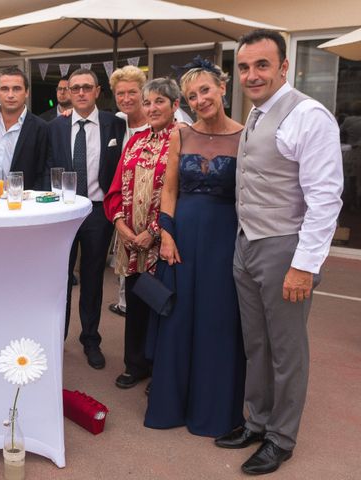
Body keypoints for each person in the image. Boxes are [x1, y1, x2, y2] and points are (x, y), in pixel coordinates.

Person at [215, 30, 344, 476]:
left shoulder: (309, 115)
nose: (252, 75)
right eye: (245, 67)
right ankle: (258, 421)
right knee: (256, 343)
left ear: (284, 67)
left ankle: (281, 438)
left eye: (262, 65)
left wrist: (304, 266)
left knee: (286, 349)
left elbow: (326, 198)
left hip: (285, 247)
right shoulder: (254, 114)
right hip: (247, 243)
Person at [145, 58, 246, 438]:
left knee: (217, 321)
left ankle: (213, 411)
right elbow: (169, 188)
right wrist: (166, 233)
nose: (200, 99)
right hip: (181, 238)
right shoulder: (180, 134)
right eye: (192, 95)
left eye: (205, 90)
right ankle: (171, 405)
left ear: (222, 87)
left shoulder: (245, 135)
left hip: (224, 238)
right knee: (179, 318)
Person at [47, 68, 125, 369]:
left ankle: (91, 339)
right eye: (74, 87)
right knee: (60, 277)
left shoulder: (114, 125)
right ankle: (58, 337)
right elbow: (46, 168)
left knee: (93, 278)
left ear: (97, 91)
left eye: (86, 87)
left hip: (97, 211)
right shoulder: (54, 127)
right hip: (63, 212)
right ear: (67, 91)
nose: (80, 92)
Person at [103, 77, 178, 389]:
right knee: (135, 305)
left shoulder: (182, 139)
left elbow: (181, 193)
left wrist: (154, 231)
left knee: (162, 306)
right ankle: (135, 364)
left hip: (164, 242)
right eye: (147, 102)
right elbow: (116, 188)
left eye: (159, 101)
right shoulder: (135, 141)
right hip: (132, 242)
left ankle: (161, 367)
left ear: (175, 105)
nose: (152, 108)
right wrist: (122, 226)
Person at [107, 65, 151, 318]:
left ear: (142, 92)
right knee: (126, 267)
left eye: (132, 92)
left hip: (149, 209)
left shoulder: (158, 123)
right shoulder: (117, 123)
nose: (126, 99)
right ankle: (125, 306)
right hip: (121, 210)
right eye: (120, 93)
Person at [0, 66, 48, 190]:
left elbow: (42, 173)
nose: (10, 95)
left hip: (21, 203)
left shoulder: (41, 128)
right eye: (4, 89)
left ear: (26, 92)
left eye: (16, 89)